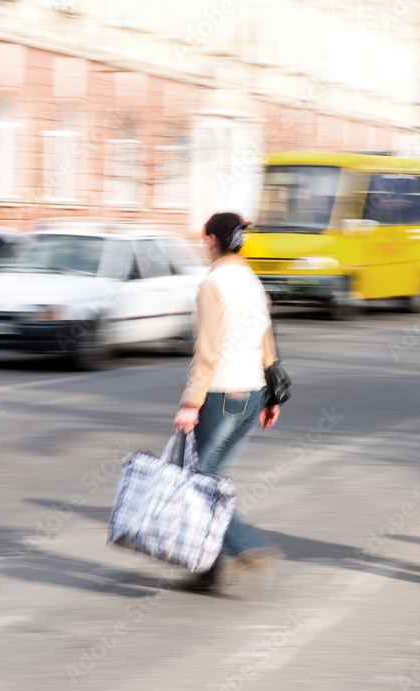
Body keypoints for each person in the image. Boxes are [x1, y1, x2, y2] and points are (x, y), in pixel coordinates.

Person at [170, 212, 282, 591]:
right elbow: (265, 340)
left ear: (210, 241)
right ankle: (208, 571)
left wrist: (190, 402)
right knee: (215, 479)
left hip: (220, 396)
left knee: (202, 484)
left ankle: (243, 544)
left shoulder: (213, 284)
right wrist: (272, 395)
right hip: (252, 395)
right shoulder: (251, 279)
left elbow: (207, 352)